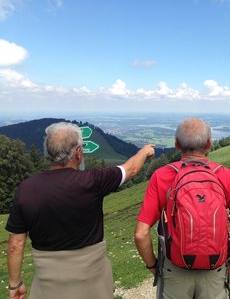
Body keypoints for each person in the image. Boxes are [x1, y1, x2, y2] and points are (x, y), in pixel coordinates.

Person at [6, 122, 155, 299]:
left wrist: (15, 284)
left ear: (48, 154)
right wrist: (145, 151)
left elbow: (15, 244)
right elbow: (131, 169)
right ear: (78, 153)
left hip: (48, 284)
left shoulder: (26, 189)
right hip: (93, 282)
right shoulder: (93, 181)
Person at [135, 118, 230, 299]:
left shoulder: (161, 176)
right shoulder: (226, 176)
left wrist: (153, 266)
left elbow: (141, 234)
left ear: (177, 144)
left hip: (174, 269)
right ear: (209, 144)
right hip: (215, 271)